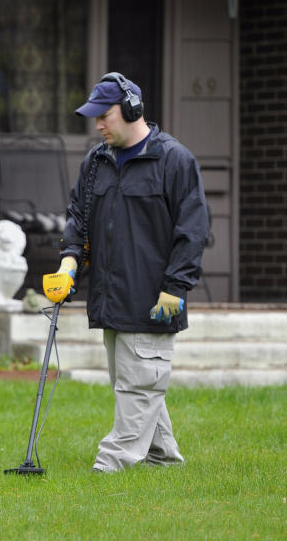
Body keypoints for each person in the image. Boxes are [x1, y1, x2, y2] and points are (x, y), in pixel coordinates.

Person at [49, 72, 210, 473]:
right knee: (133, 383)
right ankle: (162, 457)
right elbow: (78, 220)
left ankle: (112, 462)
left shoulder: (173, 160)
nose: (98, 125)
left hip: (155, 299)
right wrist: (70, 263)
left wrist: (176, 286)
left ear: (132, 110)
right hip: (111, 299)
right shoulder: (96, 162)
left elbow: (193, 230)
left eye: (104, 116)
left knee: (139, 385)